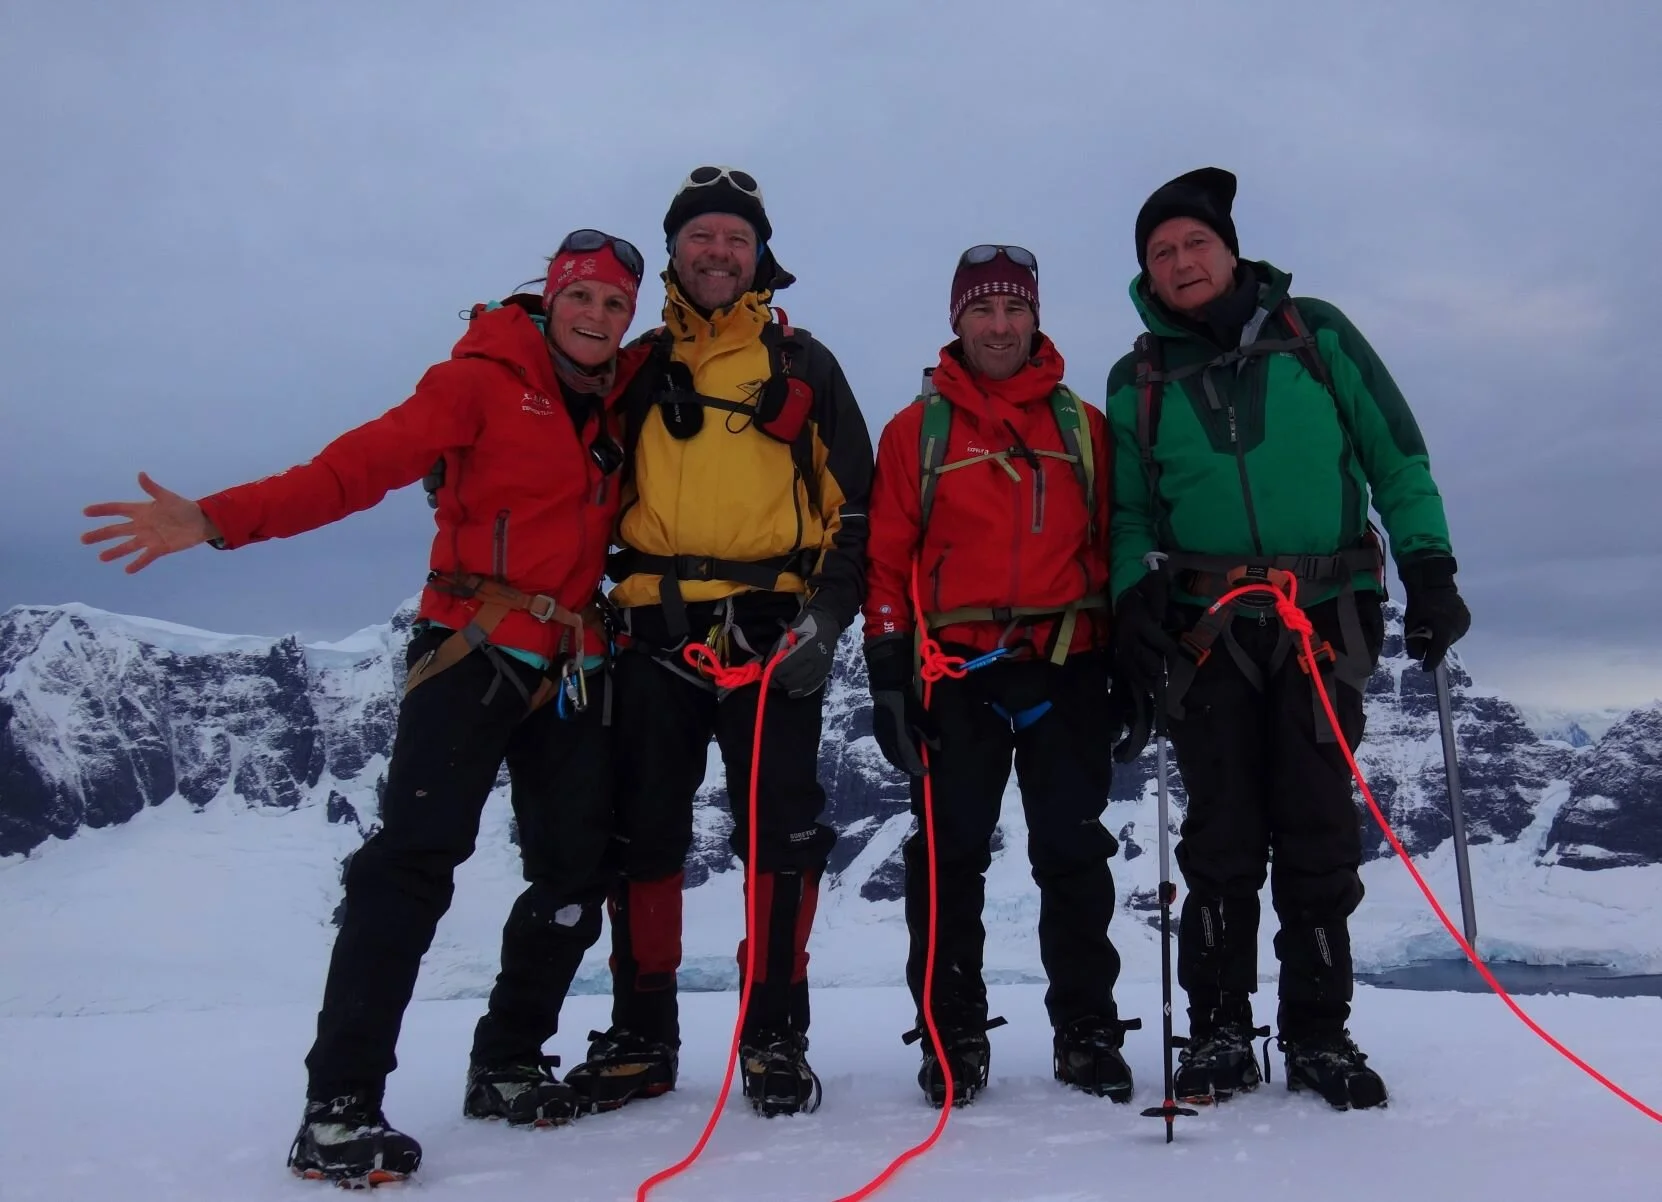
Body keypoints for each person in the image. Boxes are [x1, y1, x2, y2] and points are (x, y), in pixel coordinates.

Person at [80, 231, 654, 1184]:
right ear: (548, 299)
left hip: (575, 664)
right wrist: (219, 517)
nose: (596, 316)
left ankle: (507, 1062)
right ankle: (339, 1108)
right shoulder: (477, 381)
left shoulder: (616, 400)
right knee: (410, 871)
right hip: (470, 651)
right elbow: (356, 468)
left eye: (613, 305)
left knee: (574, 874)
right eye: (582, 296)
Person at [1106, 167, 1472, 1111]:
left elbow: (1396, 451)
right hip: (1207, 629)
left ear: (1231, 250)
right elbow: (1129, 512)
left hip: (1324, 617)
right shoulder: (1137, 375)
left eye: (1195, 243)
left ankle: (1318, 1029)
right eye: (1162, 252)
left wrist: (1429, 563)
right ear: (1146, 271)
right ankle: (1221, 1029)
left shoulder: (1320, 335)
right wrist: (1131, 591)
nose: (1182, 262)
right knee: (1221, 832)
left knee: (1314, 823)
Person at [562, 167, 872, 1119]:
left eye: (736, 239)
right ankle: (644, 1040)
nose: (719, 252)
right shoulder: (638, 364)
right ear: (675, 251)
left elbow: (855, 508)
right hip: (653, 631)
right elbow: (566, 474)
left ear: (758, 255)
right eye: (702, 236)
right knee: (641, 838)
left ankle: (776, 1036)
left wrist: (826, 618)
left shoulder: (804, 367)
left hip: (772, 635)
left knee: (781, 837)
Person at [861, 245, 1133, 1108]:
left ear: (1036, 317)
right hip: (956, 671)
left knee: (1073, 852)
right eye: (983, 310)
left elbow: (1112, 546)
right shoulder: (917, 432)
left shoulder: (1086, 428)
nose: (1001, 325)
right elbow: (886, 561)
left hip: (1066, 662)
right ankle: (952, 1034)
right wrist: (888, 676)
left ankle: (1086, 1029)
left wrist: (1130, 661)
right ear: (957, 320)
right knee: (947, 860)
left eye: (1015, 309)